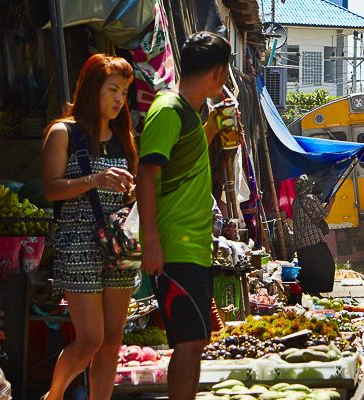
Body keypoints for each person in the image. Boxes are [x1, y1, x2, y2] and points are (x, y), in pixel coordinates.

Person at [136, 31, 230, 400]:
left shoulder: (187, 113)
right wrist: (152, 242)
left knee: (196, 341)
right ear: (219, 73)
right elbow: (147, 173)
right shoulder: (169, 109)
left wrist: (213, 127)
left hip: (192, 244)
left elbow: (184, 159)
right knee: (188, 344)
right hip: (175, 244)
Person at [40, 54, 139, 400]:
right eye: (113, 89)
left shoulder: (123, 136)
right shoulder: (62, 132)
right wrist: (96, 178)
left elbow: (129, 193)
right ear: (92, 88)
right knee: (90, 340)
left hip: (119, 244)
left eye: (124, 92)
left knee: (113, 339)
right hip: (77, 240)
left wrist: (133, 190)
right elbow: (51, 188)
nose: (119, 99)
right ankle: (53, 396)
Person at [290, 175, 335, 295]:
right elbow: (323, 214)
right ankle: (317, 291)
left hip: (300, 243)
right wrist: (331, 203)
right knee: (327, 265)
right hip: (313, 240)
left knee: (308, 269)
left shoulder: (296, 201)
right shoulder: (310, 198)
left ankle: (311, 292)